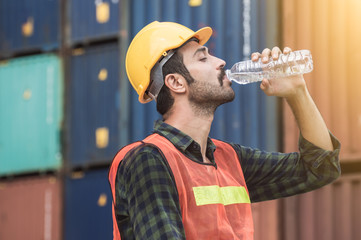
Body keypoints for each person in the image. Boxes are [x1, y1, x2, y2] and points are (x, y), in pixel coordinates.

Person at [108, 21, 341, 240]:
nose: (220, 62)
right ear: (176, 83)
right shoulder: (148, 161)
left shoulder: (229, 159)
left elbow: (319, 168)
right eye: (203, 59)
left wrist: (297, 92)